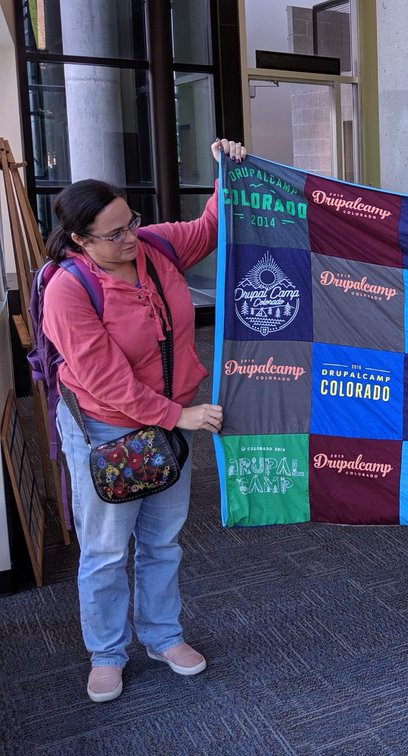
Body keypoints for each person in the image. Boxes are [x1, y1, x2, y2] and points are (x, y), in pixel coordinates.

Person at [42, 138, 248, 703]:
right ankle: (107, 652)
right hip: (110, 429)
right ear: (81, 241)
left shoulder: (154, 248)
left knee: (163, 540)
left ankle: (162, 635)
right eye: (115, 234)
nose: (131, 237)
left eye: (130, 222)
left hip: (169, 424)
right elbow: (107, 381)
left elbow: (209, 229)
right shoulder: (68, 290)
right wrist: (178, 415)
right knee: (107, 548)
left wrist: (224, 170)